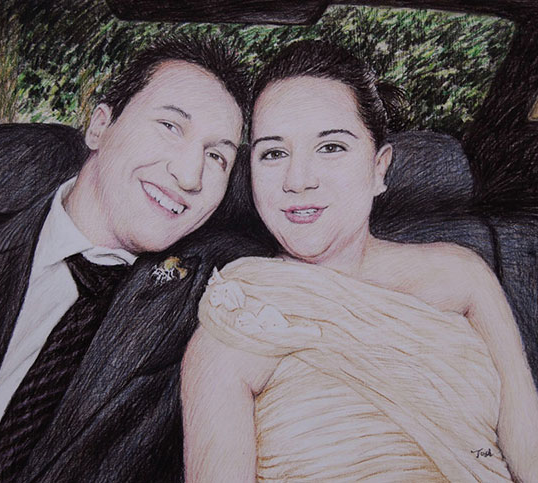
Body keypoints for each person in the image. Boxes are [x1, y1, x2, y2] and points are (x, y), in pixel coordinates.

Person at [182, 40, 538, 482]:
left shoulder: (462, 275)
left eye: (331, 147)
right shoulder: (232, 323)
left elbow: (528, 444)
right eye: (273, 153)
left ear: (379, 168)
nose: (298, 180)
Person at [0, 34, 267, 482]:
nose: (189, 175)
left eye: (217, 156)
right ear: (99, 127)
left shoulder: (214, 295)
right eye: (170, 126)